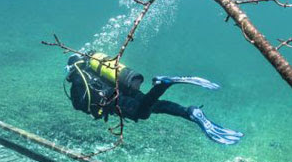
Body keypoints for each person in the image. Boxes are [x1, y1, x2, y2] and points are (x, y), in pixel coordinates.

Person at [65, 53, 243, 145]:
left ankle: (163, 84)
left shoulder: (77, 81)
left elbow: (81, 104)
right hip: (123, 91)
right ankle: (189, 112)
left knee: (142, 112)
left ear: (70, 68)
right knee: (155, 105)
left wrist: (96, 111)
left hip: (114, 100)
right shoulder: (93, 69)